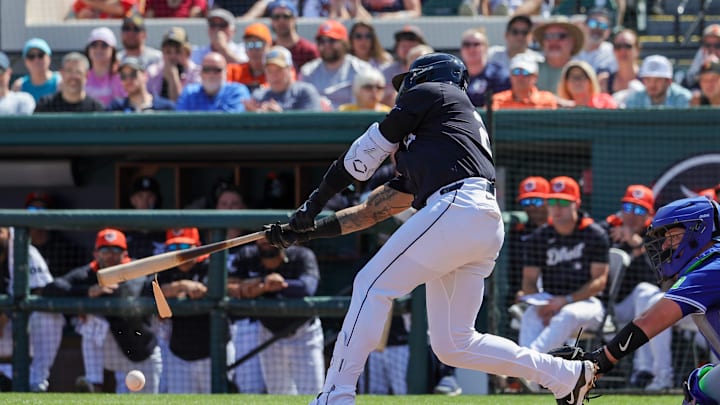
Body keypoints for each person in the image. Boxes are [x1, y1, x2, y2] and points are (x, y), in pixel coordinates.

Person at [264, 52, 597, 405]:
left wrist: (310, 206)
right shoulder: (442, 138)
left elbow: (362, 155)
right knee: (455, 344)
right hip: (476, 219)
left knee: (371, 284)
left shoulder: (437, 92)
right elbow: (371, 212)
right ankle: (564, 375)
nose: (403, 89)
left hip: (457, 206)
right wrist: (305, 231)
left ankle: (336, 394)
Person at [557, 196, 720, 404]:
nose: (664, 247)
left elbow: (649, 321)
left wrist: (598, 362)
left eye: (673, 237)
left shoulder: (710, 268)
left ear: (699, 230)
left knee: (699, 390)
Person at [43, 229, 162, 393]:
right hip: (111, 349)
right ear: (96, 253)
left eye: (116, 250)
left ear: (124, 253)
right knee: (91, 319)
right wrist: (88, 292)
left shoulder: (136, 271)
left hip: (141, 350)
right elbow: (52, 288)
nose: (110, 255)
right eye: (105, 250)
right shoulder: (89, 273)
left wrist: (105, 294)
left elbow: (130, 294)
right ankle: (93, 382)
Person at [518, 176, 609, 355]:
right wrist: (542, 304)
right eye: (552, 201)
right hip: (550, 301)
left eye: (563, 202)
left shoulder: (594, 234)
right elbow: (528, 280)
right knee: (530, 316)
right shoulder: (540, 236)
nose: (557, 208)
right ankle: (533, 378)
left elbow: (600, 281)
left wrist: (566, 300)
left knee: (567, 314)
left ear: (576, 203)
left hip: (587, 305)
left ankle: (528, 368)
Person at [599, 184, 673, 390]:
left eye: (639, 210)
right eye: (628, 207)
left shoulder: (657, 236)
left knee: (646, 293)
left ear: (649, 214)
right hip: (605, 307)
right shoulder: (605, 230)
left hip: (640, 306)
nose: (632, 215)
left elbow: (660, 280)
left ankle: (645, 370)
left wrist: (638, 246)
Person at [231, 237, 325, 395]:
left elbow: (307, 288)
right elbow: (228, 286)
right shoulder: (247, 256)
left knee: (313, 393)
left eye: (271, 237)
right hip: (269, 333)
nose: (265, 241)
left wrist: (278, 285)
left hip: (303, 333)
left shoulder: (301, 255)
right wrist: (264, 283)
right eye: (262, 236)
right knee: (279, 395)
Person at [156, 228, 233, 393]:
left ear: (197, 247)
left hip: (214, 352)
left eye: (184, 246)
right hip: (179, 352)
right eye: (173, 248)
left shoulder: (211, 265)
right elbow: (149, 292)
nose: (179, 253)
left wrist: (201, 290)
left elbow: (219, 289)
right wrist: (180, 286)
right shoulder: (166, 270)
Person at [0, 227, 65, 392]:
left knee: (48, 316)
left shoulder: (26, 252)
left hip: (20, 327)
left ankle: (37, 382)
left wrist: (6, 315)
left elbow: (41, 290)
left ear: (8, 231)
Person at [300, 20, 372, 110]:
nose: (326, 45)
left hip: (353, 121)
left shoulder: (362, 70)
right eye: (321, 41)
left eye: (332, 40)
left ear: (345, 43)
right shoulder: (308, 71)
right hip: (318, 121)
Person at [24, 191, 89, 278]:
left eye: (42, 210)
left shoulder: (65, 249)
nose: (37, 214)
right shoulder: (19, 247)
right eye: (32, 210)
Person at [176, 52, 250, 112]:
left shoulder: (237, 92)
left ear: (226, 73)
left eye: (217, 70)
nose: (211, 75)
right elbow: (180, 121)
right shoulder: (189, 92)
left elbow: (230, 122)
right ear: (200, 73)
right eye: (207, 70)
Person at [34, 52, 105, 113]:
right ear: (62, 73)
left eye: (78, 72)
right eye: (69, 71)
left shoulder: (96, 109)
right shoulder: (45, 105)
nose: (73, 77)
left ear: (86, 76)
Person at [459, 27, 510, 108]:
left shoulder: (499, 74)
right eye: (467, 44)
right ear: (461, 49)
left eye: (476, 44)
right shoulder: (455, 75)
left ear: (486, 48)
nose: (471, 49)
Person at [531, 16, 585, 92]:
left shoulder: (582, 72)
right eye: (548, 36)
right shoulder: (530, 69)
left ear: (573, 41)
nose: (554, 41)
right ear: (543, 42)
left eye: (561, 36)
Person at [146, 27, 201, 102]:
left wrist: (173, 78)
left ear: (187, 53)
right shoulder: (153, 72)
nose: (172, 56)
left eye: (178, 51)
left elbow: (183, 106)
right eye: (168, 52)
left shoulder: (196, 73)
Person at [623, 55, 692, 108]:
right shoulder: (634, 99)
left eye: (658, 80)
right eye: (648, 79)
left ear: (669, 81)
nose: (652, 84)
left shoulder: (683, 98)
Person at [381, 25, 426, 106]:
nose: (407, 49)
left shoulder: (430, 70)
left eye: (411, 46)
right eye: (403, 46)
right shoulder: (387, 71)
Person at [109, 57, 176, 112]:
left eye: (133, 74)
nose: (128, 79)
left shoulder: (166, 108)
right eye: (123, 76)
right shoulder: (116, 108)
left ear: (145, 76)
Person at [124, 175, 167, 259]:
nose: (145, 201)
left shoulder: (165, 231)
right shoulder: (123, 232)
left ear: (156, 199)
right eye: (140, 196)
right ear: (132, 200)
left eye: (150, 196)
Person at [491, 55, 557, 110]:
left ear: (535, 77)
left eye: (525, 72)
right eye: (516, 72)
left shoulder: (547, 100)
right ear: (510, 76)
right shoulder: (498, 101)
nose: (520, 77)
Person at [268, 0, 319, 70]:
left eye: (286, 16)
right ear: (272, 21)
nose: (281, 21)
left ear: (295, 18)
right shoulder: (269, 50)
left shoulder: (309, 50)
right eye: (276, 17)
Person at [84, 27, 126, 107]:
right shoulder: (82, 77)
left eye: (104, 45)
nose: (98, 49)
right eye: (94, 45)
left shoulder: (121, 77)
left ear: (113, 50)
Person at [226, 23, 272, 92]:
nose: (253, 50)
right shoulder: (233, 71)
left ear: (269, 46)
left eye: (258, 44)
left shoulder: (278, 72)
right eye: (249, 44)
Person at [11, 38, 61, 102]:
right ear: (25, 61)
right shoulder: (19, 86)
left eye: (41, 55)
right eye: (31, 56)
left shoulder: (60, 81)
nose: (36, 60)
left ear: (49, 58)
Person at [602, 28, 643, 106]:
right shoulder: (604, 81)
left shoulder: (647, 80)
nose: (622, 50)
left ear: (637, 49)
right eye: (618, 46)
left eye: (627, 46)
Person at [575, 8, 617, 77]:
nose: (597, 28)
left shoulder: (613, 52)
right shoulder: (573, 51)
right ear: (584, 26)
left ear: (608, 31)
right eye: (593, 23)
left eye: (602, 25)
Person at [685, 24, 720, 90]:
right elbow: (689, 80)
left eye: (718, 45)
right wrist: (704, 67)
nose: (712, 49)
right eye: (708, 45)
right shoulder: (702, 52)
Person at [68, 0, 138, 18]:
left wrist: (89, 2)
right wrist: (80, 18)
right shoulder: (80, 3)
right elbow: (71, 19)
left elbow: (119, 9)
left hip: (123, 38)